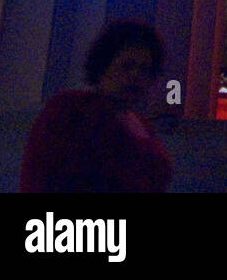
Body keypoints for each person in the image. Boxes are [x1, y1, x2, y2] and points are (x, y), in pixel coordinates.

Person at [19, 20, 173, 193]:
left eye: (144, 69)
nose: (135, 75)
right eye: (127, 66)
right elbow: (42, 178)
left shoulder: (141, 124)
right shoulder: (70, 109)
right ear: (103, 66)